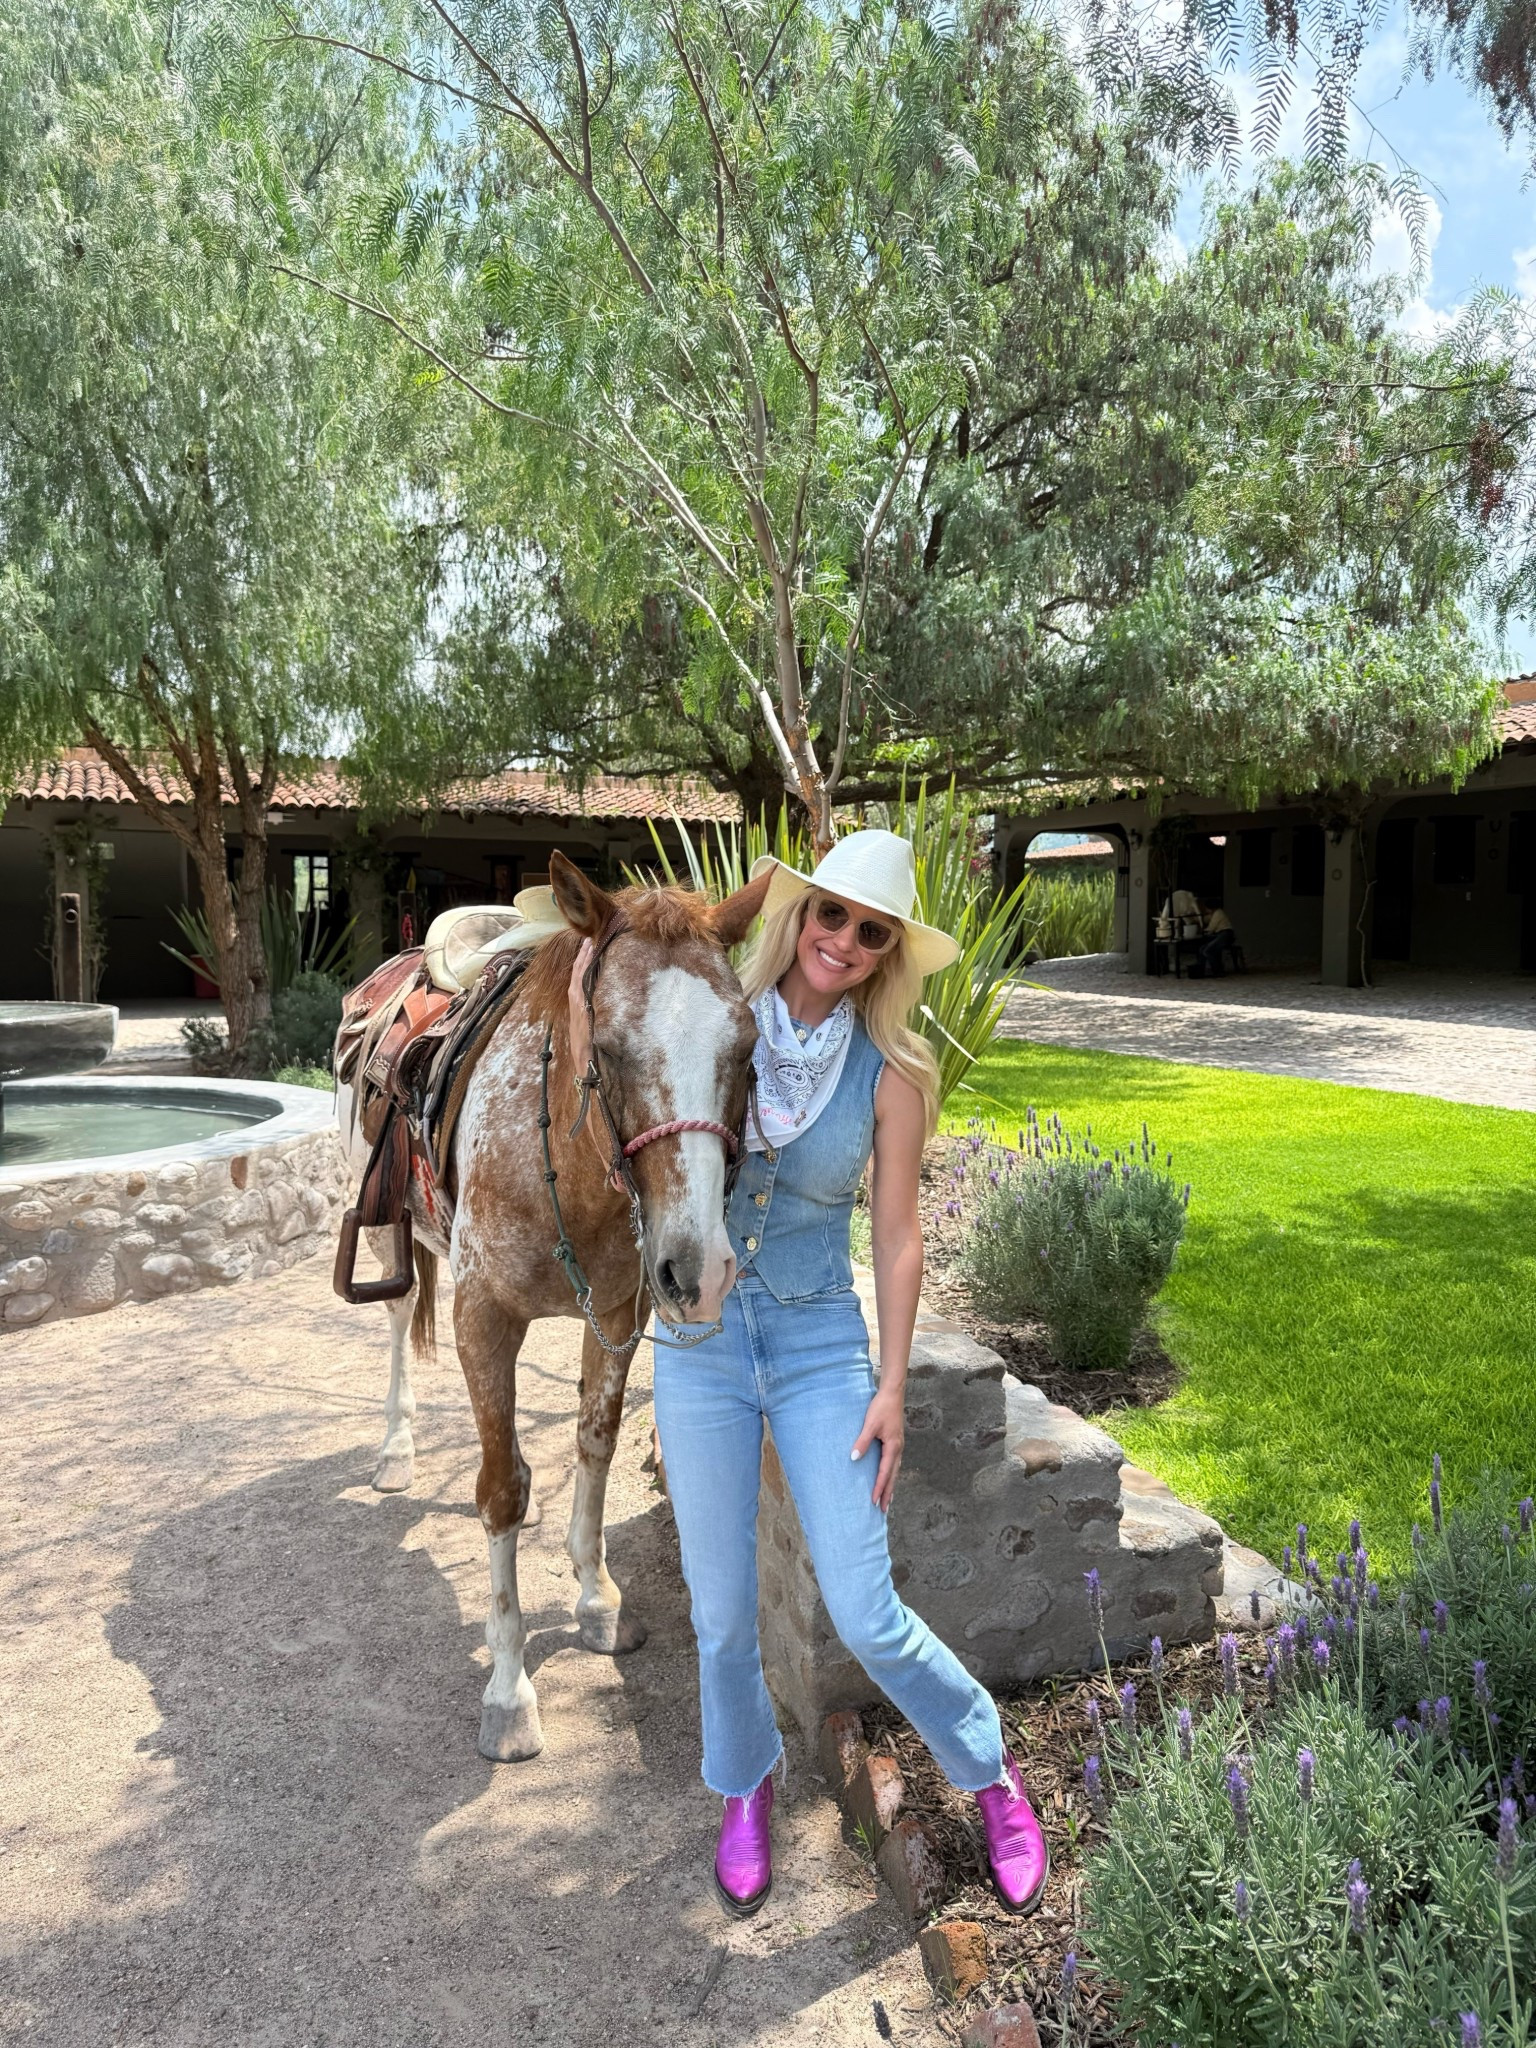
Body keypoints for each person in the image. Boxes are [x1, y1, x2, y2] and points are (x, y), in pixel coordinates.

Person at [571, 830, 1049, 1921]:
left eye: (870, 931)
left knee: (868, 1610)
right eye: (831, 914)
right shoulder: (710, 1009)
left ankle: (990, 1773)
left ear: (887, 953)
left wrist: (891, 1384)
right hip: (701, 1346)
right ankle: (745, 1787)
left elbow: (897, 1237)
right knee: (725, 1615)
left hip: (822, 1345)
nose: (843, 939)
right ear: (802, 915)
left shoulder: (893, 1073)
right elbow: (636, 1111)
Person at [1197, 900, 1237, 975]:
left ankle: (1218, 970)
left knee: (1207, 950)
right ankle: (1200, 970)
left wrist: (1202, 931)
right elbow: (1205, 919)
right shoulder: (1214, 913)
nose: (1205, 910)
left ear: (1210, 908)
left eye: (1206, 908)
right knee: (1202, 949)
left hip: (1225, 934)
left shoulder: (1218, 913)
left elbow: (1211, 928)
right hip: (1221, 935)